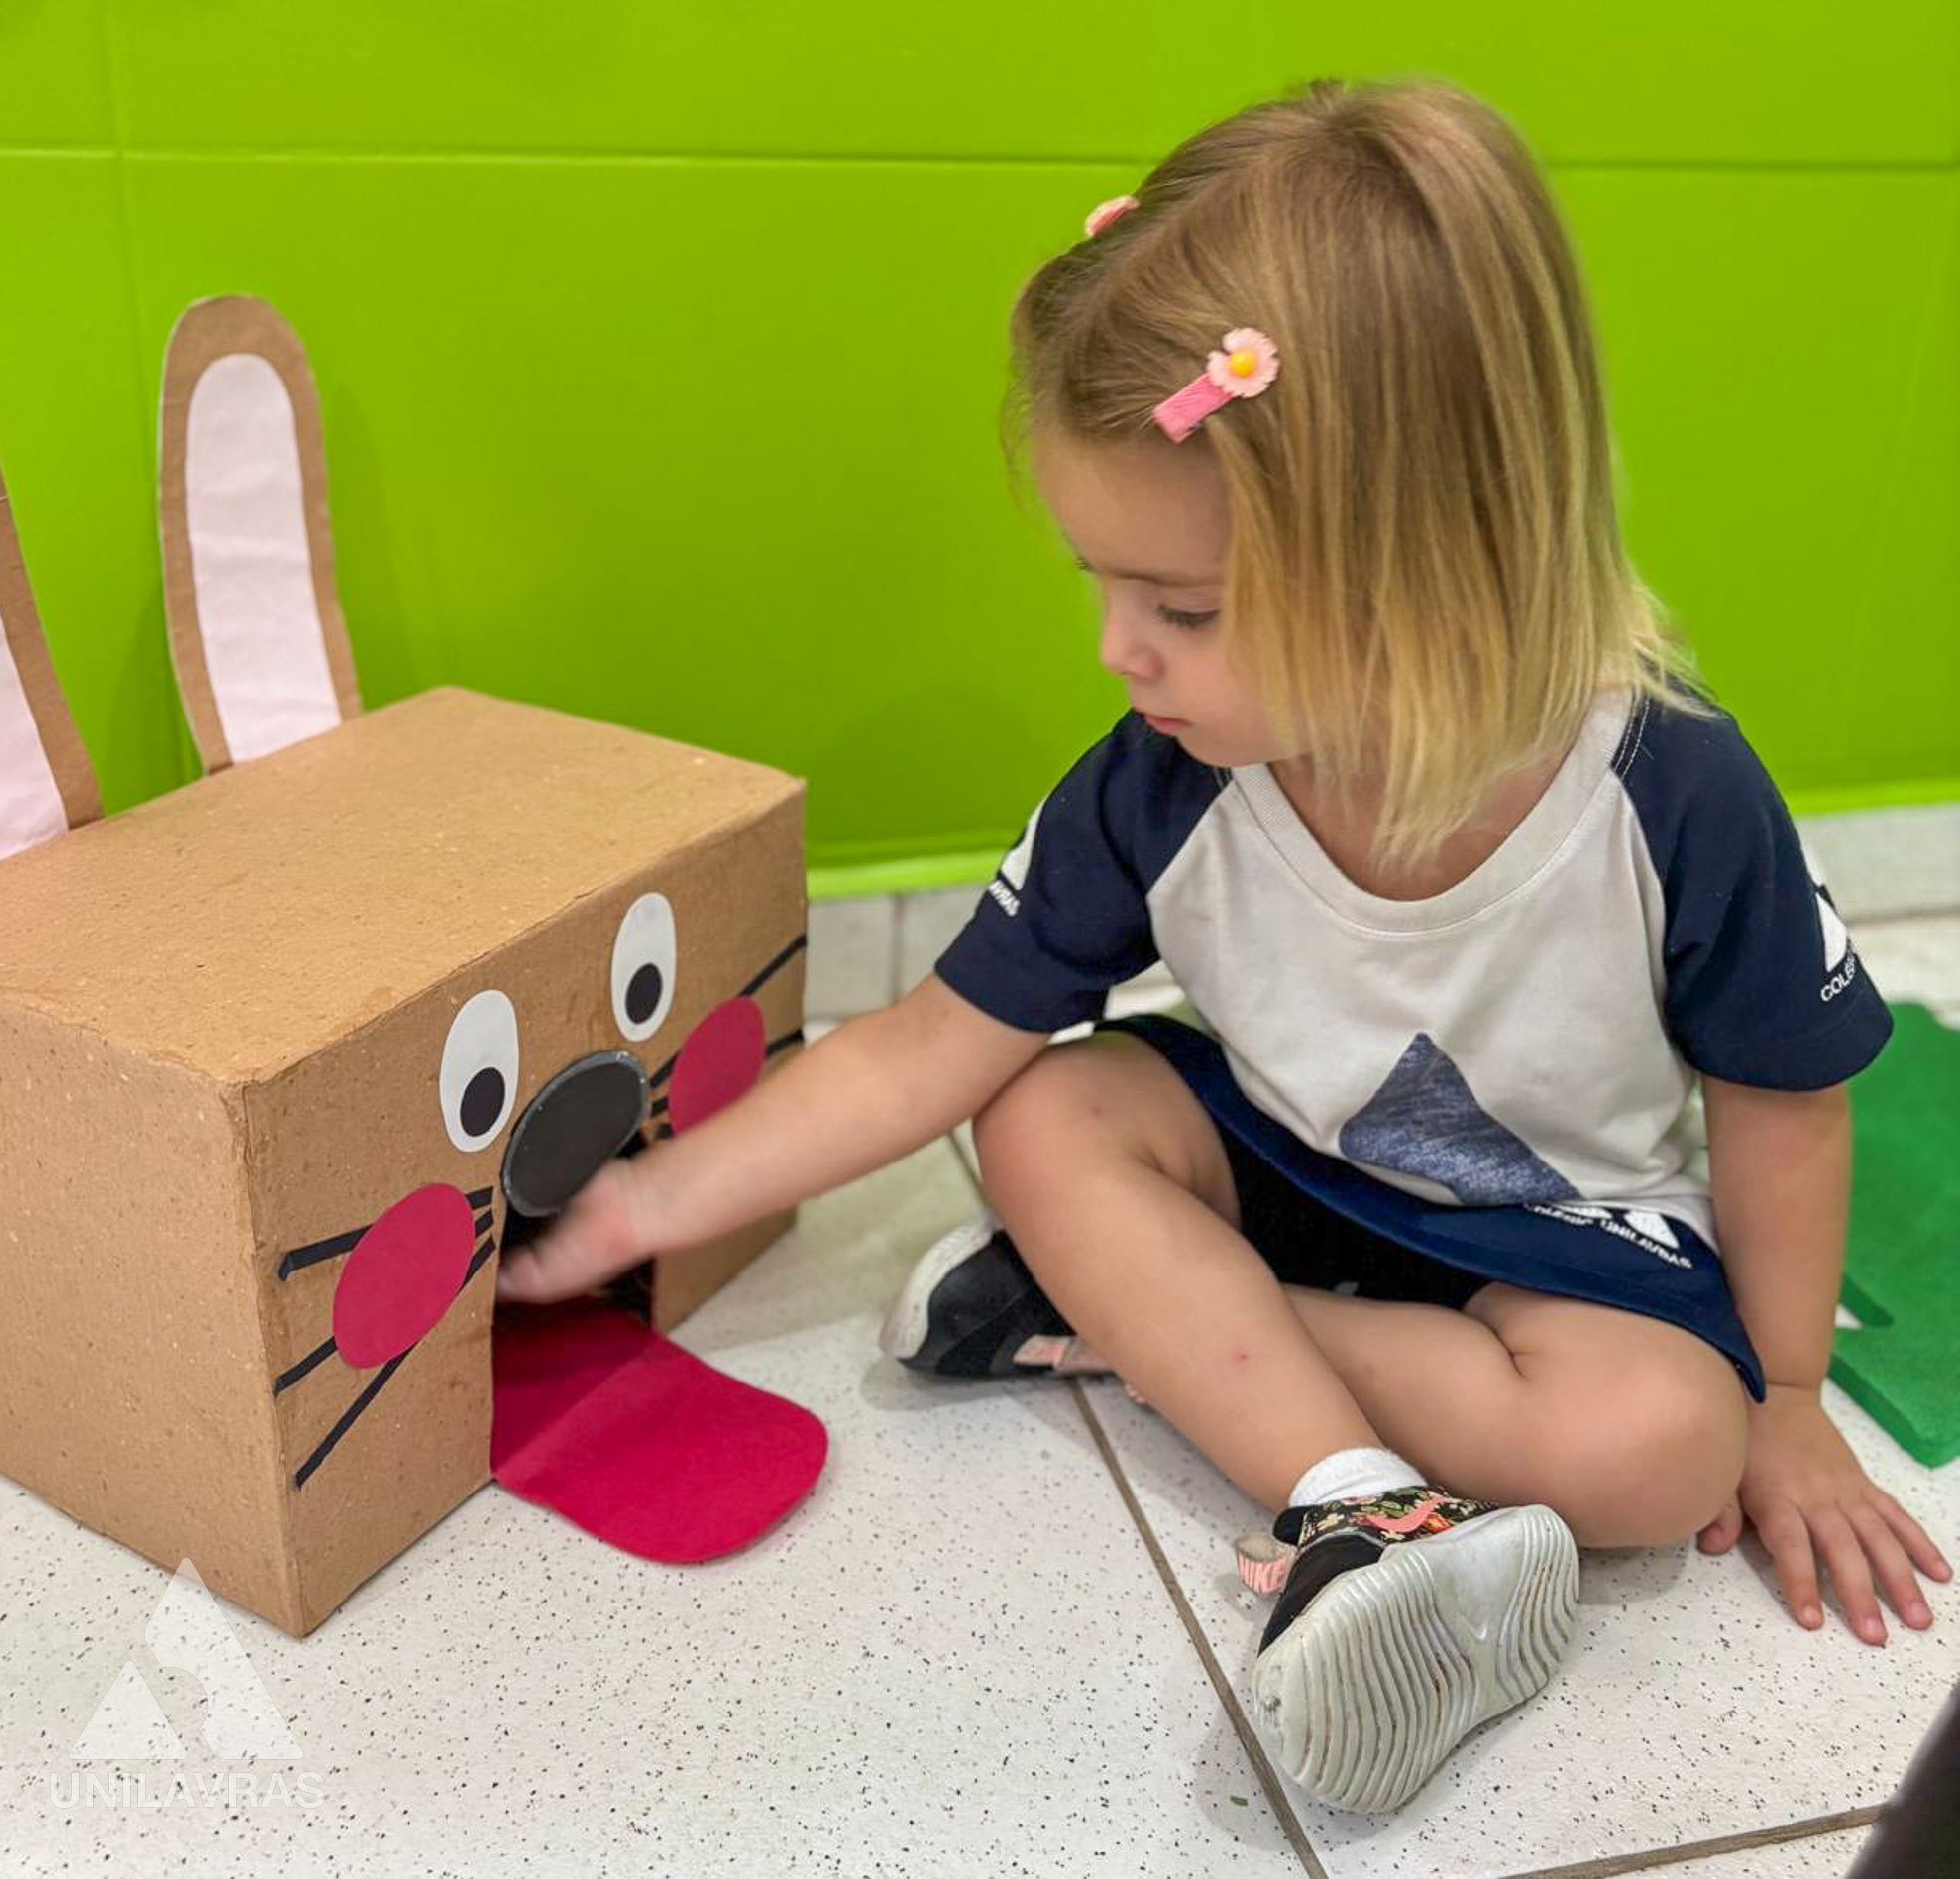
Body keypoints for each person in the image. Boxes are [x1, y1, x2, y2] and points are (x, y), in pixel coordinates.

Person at [497, 75, 1950, 1813]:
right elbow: (931, 1045)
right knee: (1042, 1107)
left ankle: (1114, 1318)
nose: (1121, 652)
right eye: (1100, 586)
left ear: (1436, 566)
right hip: (1272, 1154)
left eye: (1182, 608)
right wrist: (646, 1207)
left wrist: (1786, 1391)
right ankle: (1349, 1498)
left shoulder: (1671, 788)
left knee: (1666, 1450)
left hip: (1555, 1238)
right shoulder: (1162, 779)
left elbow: (1784, 1103)